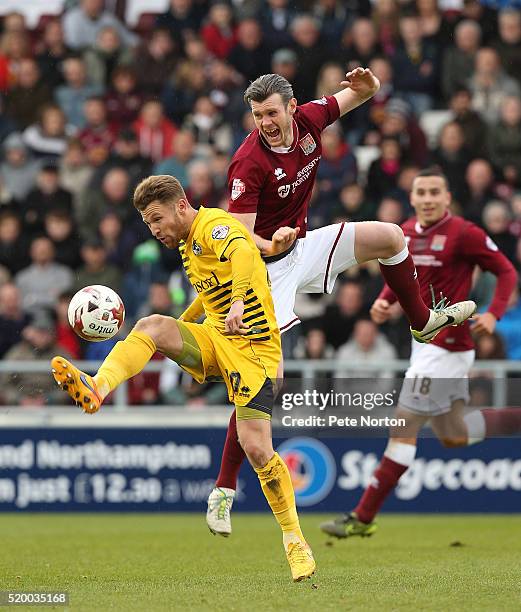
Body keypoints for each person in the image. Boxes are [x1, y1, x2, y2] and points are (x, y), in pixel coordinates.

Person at [205, 71, 476, 536]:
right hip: (261, 268)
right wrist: (271, 244)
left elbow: (360, 95)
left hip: (302, 246)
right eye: (257, 115)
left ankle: (421, 321)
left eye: (272, 112)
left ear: (292, 107)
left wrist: (368, 85)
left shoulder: (312, 118)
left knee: (391, 236)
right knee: (266, 384)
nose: (266, 122)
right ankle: (224, 489)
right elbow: (238, 237)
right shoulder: (248, 162)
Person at [50, 174, 315, 582]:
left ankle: (295, 542)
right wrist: (183, 324)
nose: (155, 230)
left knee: (258, 449)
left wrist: (241, 301)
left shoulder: (212, 226)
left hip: (254, 350)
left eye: (157, 219)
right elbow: (208, 296)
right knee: (153, 326)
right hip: (216, 337)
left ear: (180, 206)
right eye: (147, 224)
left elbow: (245, 253)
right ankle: (97, 386)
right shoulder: (188, 245)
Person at [319, 168, 519, 539]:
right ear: (411, 198)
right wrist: (382, 301)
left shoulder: (464, 233)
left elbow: (506, 271)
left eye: (434, 192)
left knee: (404, 425)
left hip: (448, 347)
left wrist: (493, 313)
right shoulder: (406, 231)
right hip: (424, 344)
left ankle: (362, 517)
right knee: (453, 434)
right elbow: (402, 279)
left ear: (447, 198)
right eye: (421, 192)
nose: (427, 198)